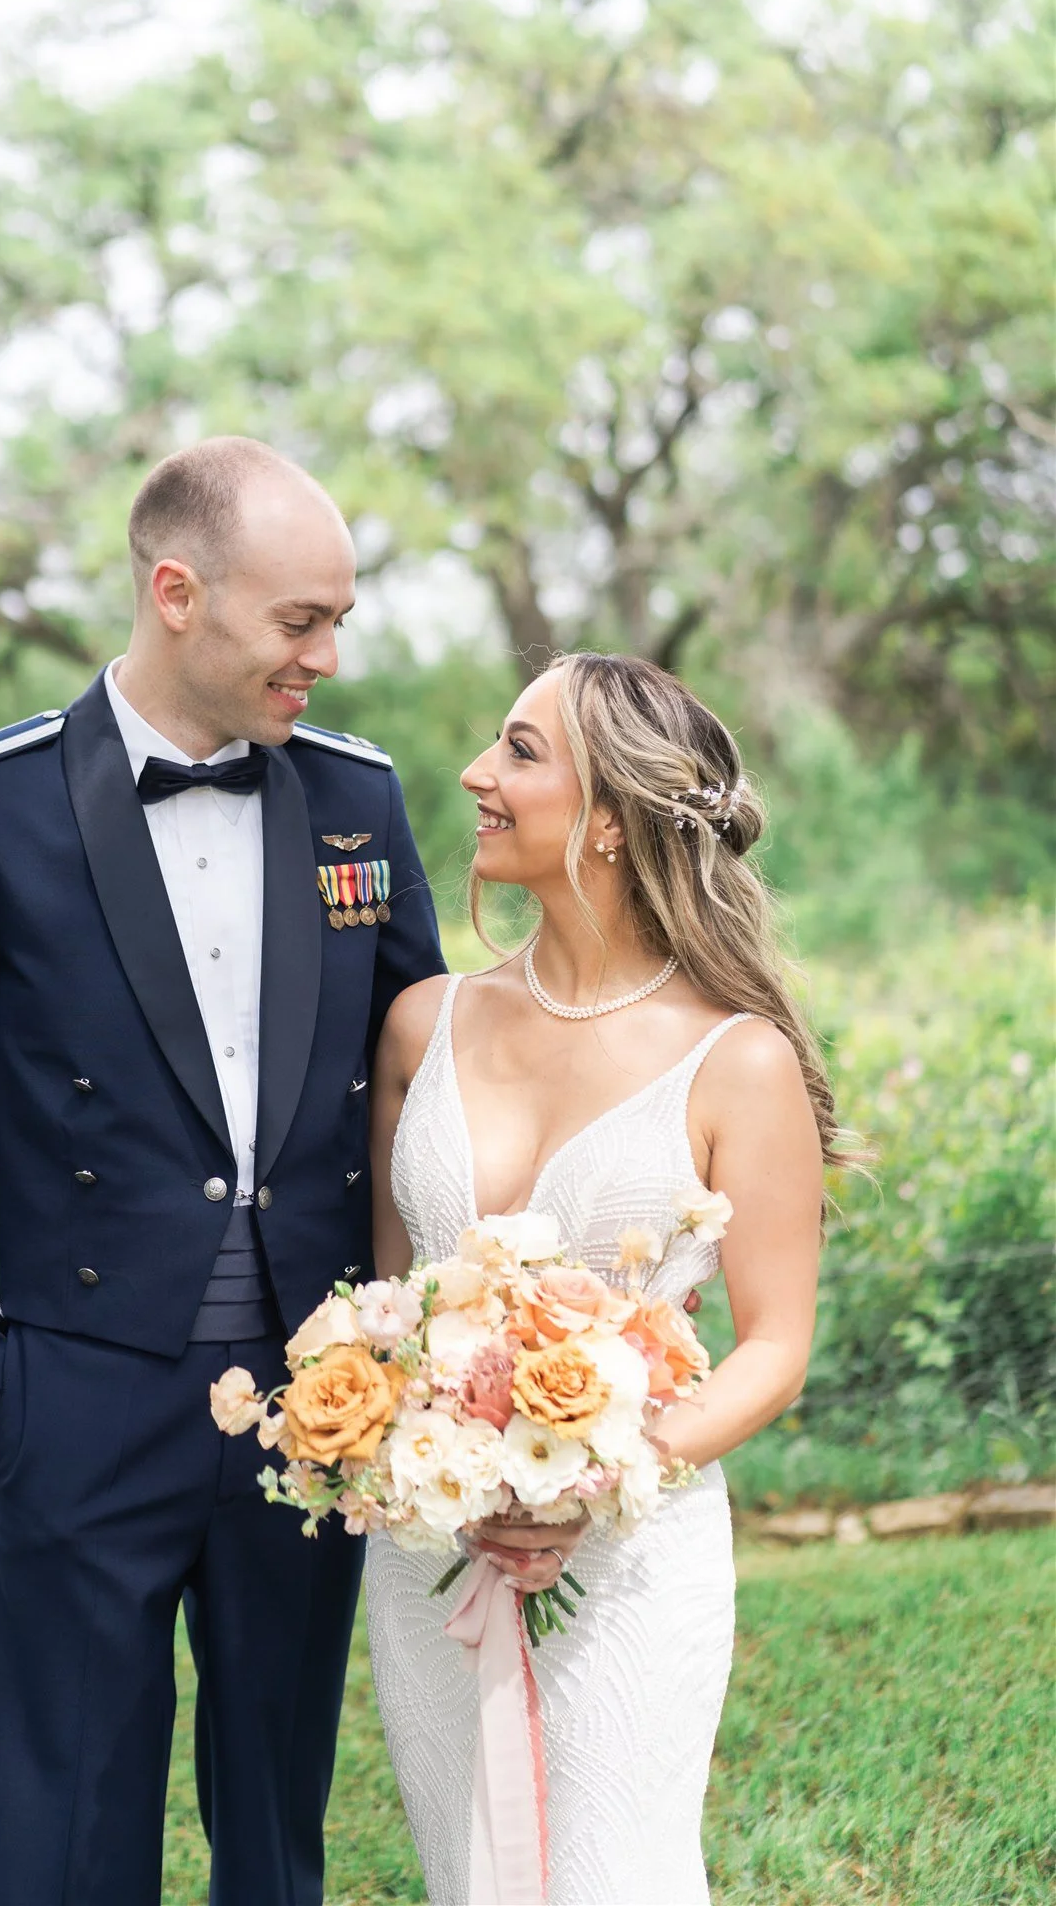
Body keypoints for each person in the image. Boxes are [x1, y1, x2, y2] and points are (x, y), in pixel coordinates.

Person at [0, 436, 446, 1906]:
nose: (327, 656)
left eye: (339, 619)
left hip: (316, 1399)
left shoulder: (358, 799)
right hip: (78, 1395)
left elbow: (424, 1086)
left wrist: (411, 1344)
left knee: (276, 1831)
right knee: (60, 1839)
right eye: (300, 621)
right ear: (176, 591)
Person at [365, 651, 827, 1906]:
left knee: (611, 1874)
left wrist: (598, 1478)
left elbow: (775, 1344)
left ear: (612, 818)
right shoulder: (423, 1025)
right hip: (433, 1547)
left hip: (629, 1547)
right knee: (464, 1868)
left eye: (520, 751)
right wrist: (392, 1444)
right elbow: (384, 1310)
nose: (476, 774)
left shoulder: (738, 1061)